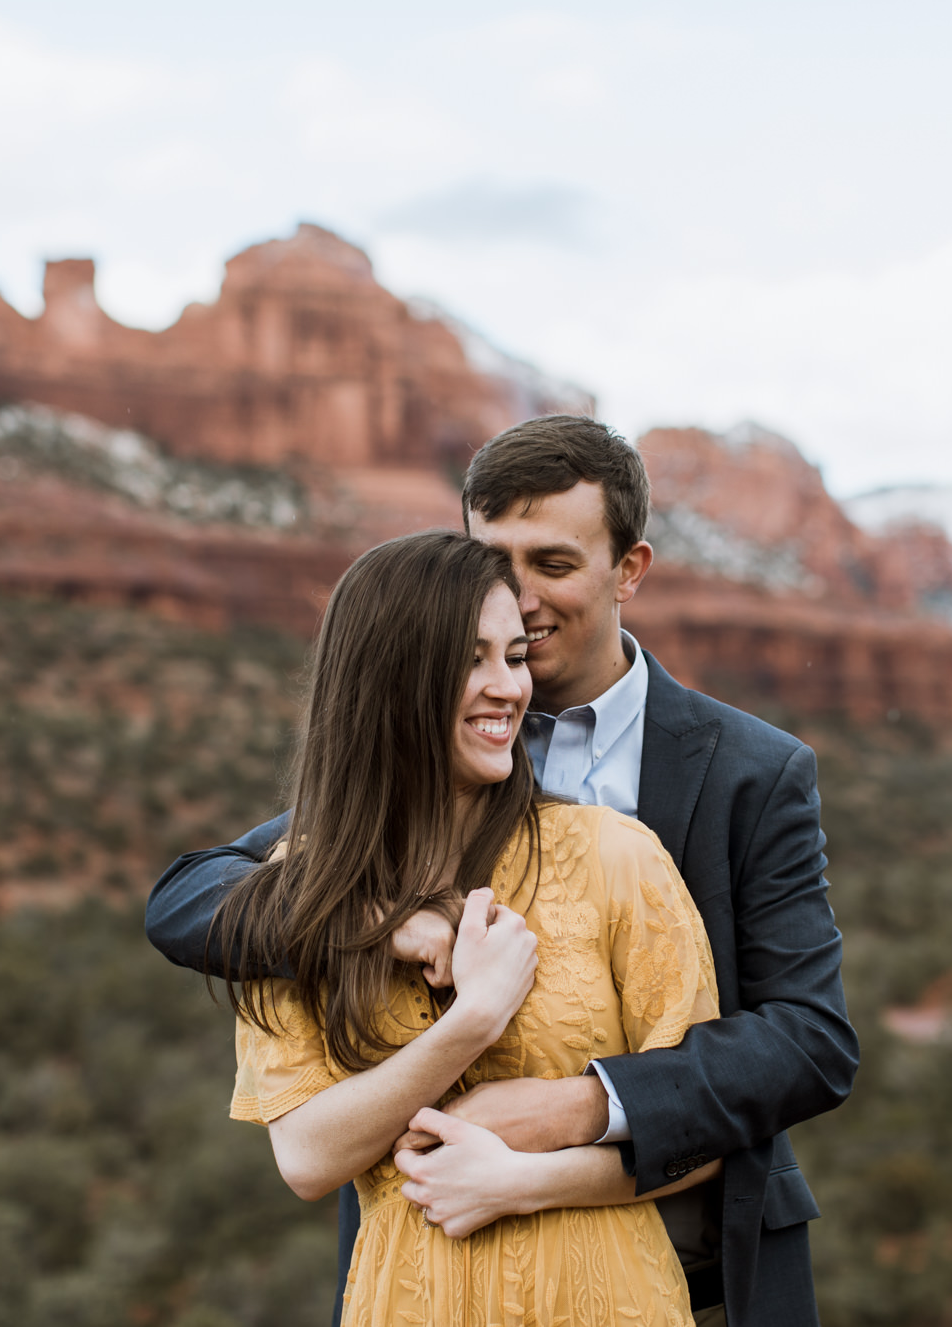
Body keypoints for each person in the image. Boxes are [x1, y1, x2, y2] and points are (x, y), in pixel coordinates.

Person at [149, 415, 858, 1327]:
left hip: (700, 1264)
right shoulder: (428, 760)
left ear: (629, 571)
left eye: (553, 565)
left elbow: (807, 1038)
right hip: (436, 1263)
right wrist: (382, 920)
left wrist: (575, 1109)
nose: (517, 598)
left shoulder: (749, 771)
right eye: (495, 561)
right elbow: (191, 899)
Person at [214, 530, 722, 1326]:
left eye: (515, 656)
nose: (507, 688)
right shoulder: (301, 888)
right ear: (389, 677)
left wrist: (527, 1179)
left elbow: (701, 1131)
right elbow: (308, 1157)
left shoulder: (615, 859)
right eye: (471, 659)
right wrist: (472, 1022)